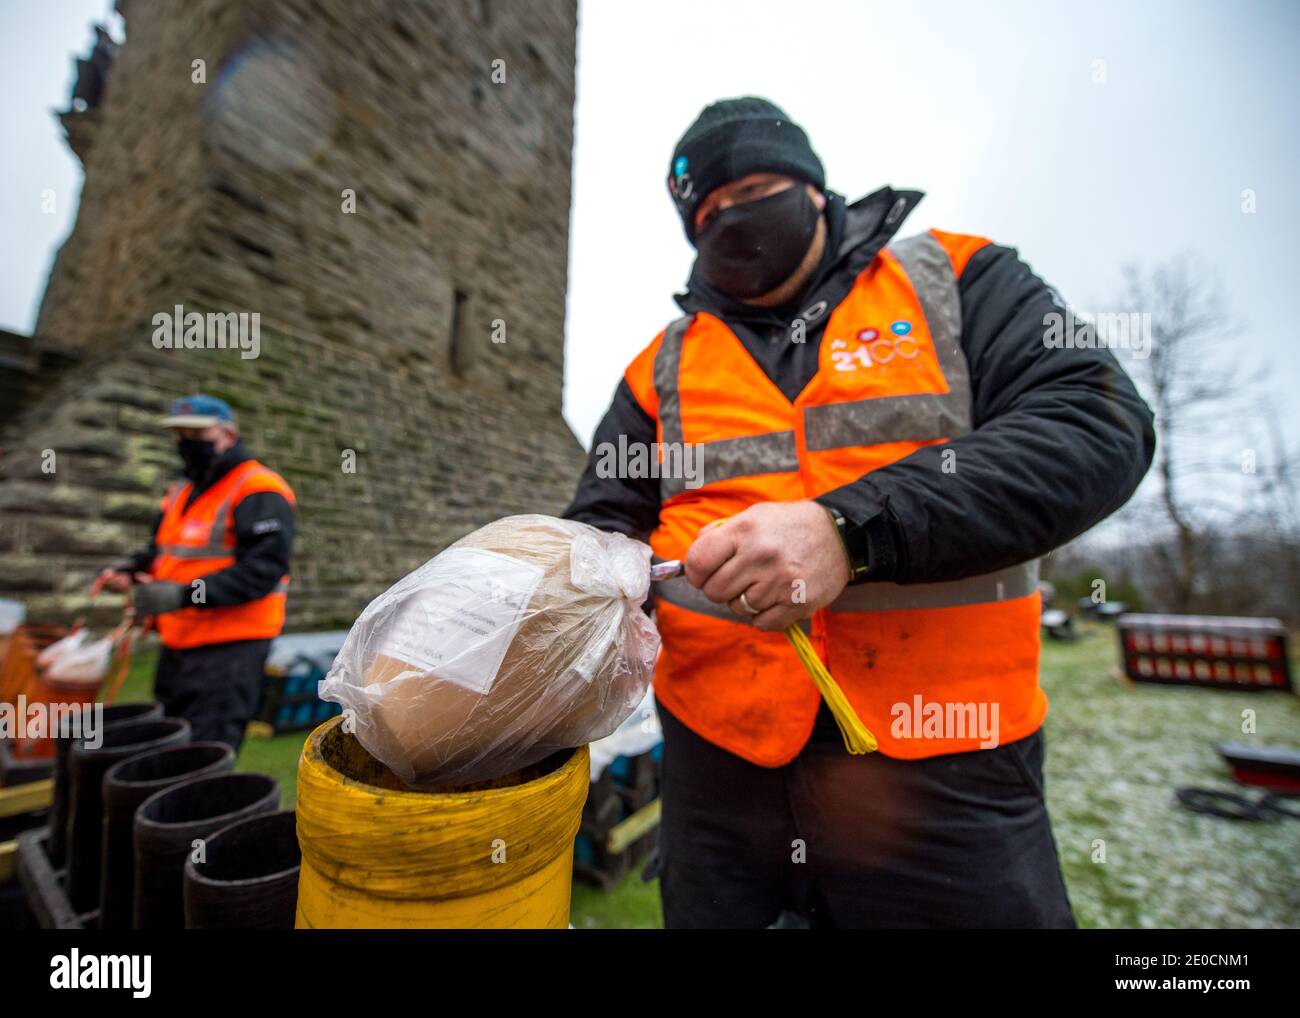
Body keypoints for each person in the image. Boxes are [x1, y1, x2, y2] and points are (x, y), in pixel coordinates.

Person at [563, 96, 1156, 928]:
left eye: (756, 189)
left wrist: (851, 528)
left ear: (813, 189)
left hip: (952, 773)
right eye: (709, 212)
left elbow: (1098, 421)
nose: (735, 218)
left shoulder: (960, 280)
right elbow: (601, 525)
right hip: (716, 773)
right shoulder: (658, 367)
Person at [92, 395, 296, 751]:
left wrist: (180, 594)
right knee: (165, 745)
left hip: (230, 648)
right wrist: (132, 568)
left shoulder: (259, 487)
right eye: (180, 433)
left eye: (197, 432)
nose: (187, 441)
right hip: (178, 643)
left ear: (229, 435)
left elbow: (264, 570)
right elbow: (162, 548)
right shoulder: (182, 490)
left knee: (204, 753)